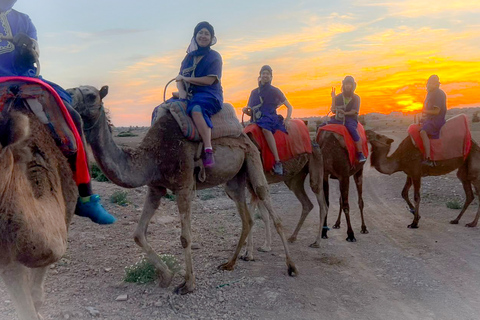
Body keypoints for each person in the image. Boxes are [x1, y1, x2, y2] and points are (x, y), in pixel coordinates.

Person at [0, 0, 116, 224]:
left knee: (71, 117)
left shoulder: (24, 21)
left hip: (22, 78)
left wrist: (27, 48)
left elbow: (33, 55)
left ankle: (86, 195)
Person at [174, 21, 223, 168]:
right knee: (162, 109)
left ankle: (208, 150)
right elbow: (178, 78)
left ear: (211, 38)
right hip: (190, 94)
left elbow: (209, 80)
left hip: (209, 94)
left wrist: (187, 79)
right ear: (195, 36)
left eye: (206, 33)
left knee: (196, 109)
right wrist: (182, 91)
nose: (203, 36)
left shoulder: (214, 57)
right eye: (200, 33)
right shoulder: (188, 58)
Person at [242, 65, 293, 175]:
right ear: (260, 76)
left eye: (267, 74)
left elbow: (289, 106)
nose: (265, 75)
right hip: (256, 118)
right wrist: (245, 110)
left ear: (271, 77)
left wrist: (288, 120)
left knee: (265, 129)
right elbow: (251, 112)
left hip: (270, 117)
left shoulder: (275, 91)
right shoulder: (254, 92)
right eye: (263, 73)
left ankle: (277, 161)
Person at [329, 76, 366, 163]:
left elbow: (355, 111)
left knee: (352, 130)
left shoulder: (356, 98)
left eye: (349, 84)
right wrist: (333, 98)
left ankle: (360, 153)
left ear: (353, 86)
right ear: (343, 85)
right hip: (338, 118)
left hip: (350, 119)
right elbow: (333, 110)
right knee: (323, 126)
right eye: (346, 84)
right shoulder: (338, 97)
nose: (348, 86)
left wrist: (345, 113)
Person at [419, 74, 447, 166]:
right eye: (428, 83)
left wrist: (423, 111)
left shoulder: (438, 94)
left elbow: (436, 111)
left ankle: (428, 159)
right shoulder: (430, 93)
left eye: (431, 83)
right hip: (429, 119)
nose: (429, 85)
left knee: (423, 132)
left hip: (436, 120)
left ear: (436, 84)